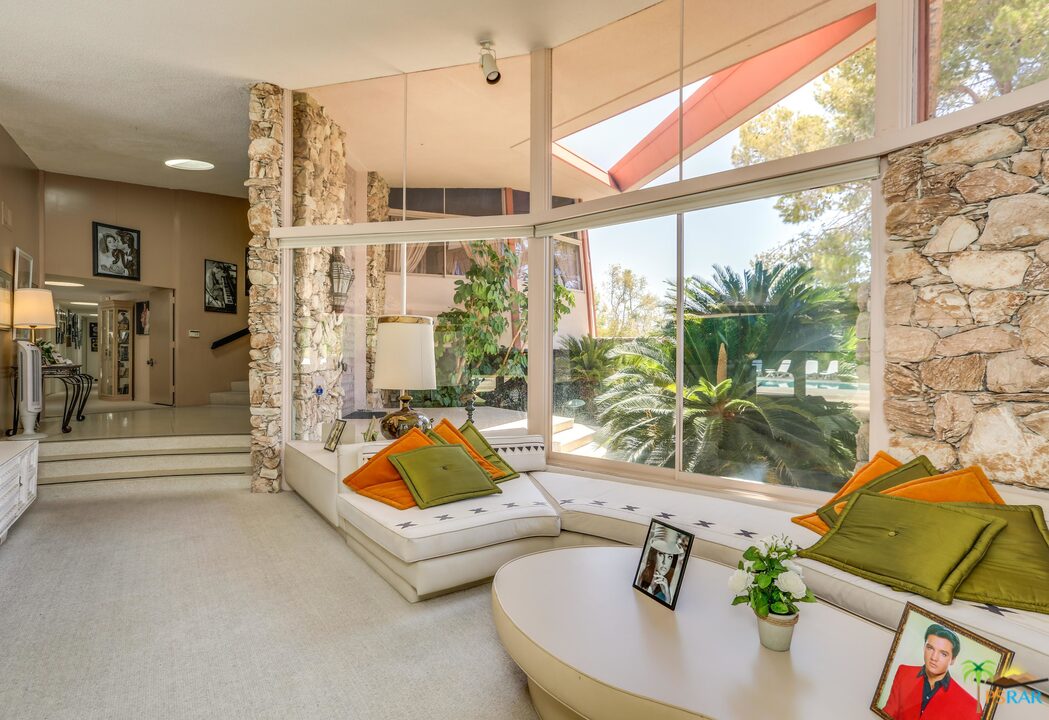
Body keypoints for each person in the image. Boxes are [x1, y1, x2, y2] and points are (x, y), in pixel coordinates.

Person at [881, 623, 981, 720]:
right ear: (924, 647)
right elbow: (888, 713)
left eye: (943, 654)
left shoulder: (971, 706)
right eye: (930, 648)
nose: (934, 657)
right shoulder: (904, 672)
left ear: (953, 660)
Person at [637, 526, 687, 603]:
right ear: (654, 555)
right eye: (661, 554)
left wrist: (667, 594)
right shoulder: (641, 574)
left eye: (669, 557)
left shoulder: (668, 587)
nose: (664, 562)